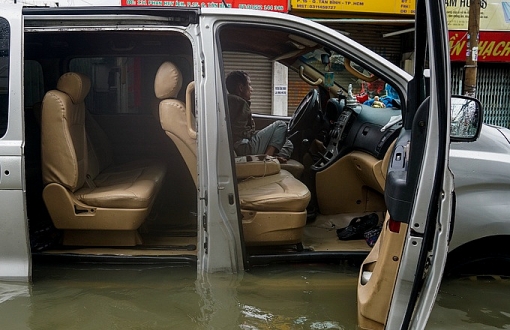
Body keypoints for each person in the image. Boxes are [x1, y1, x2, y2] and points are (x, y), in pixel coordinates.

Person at [225, 70, 293, 162]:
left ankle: (275, 157)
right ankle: (266, 159)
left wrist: (262, 134)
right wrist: (260, 134)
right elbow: (239, 132)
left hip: (243, 145)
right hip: (243, 147)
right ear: (241, 88)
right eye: (249, 85)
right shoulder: (238, 102)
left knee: (287, 142)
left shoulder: (231, 101)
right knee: (281, 125)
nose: (251, 89)